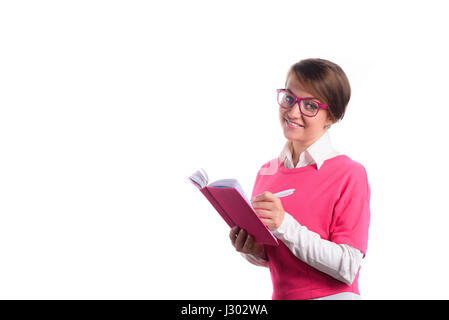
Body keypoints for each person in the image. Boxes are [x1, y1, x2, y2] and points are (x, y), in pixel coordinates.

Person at [229, 58, 371, 300]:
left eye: (310, 106)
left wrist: (284, 224)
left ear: (332, 117)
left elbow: (348, 266)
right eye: (289, 98)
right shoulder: (267, 171)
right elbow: (278, 259)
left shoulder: (350, 173)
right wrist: (253, 251)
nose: (293, 112)